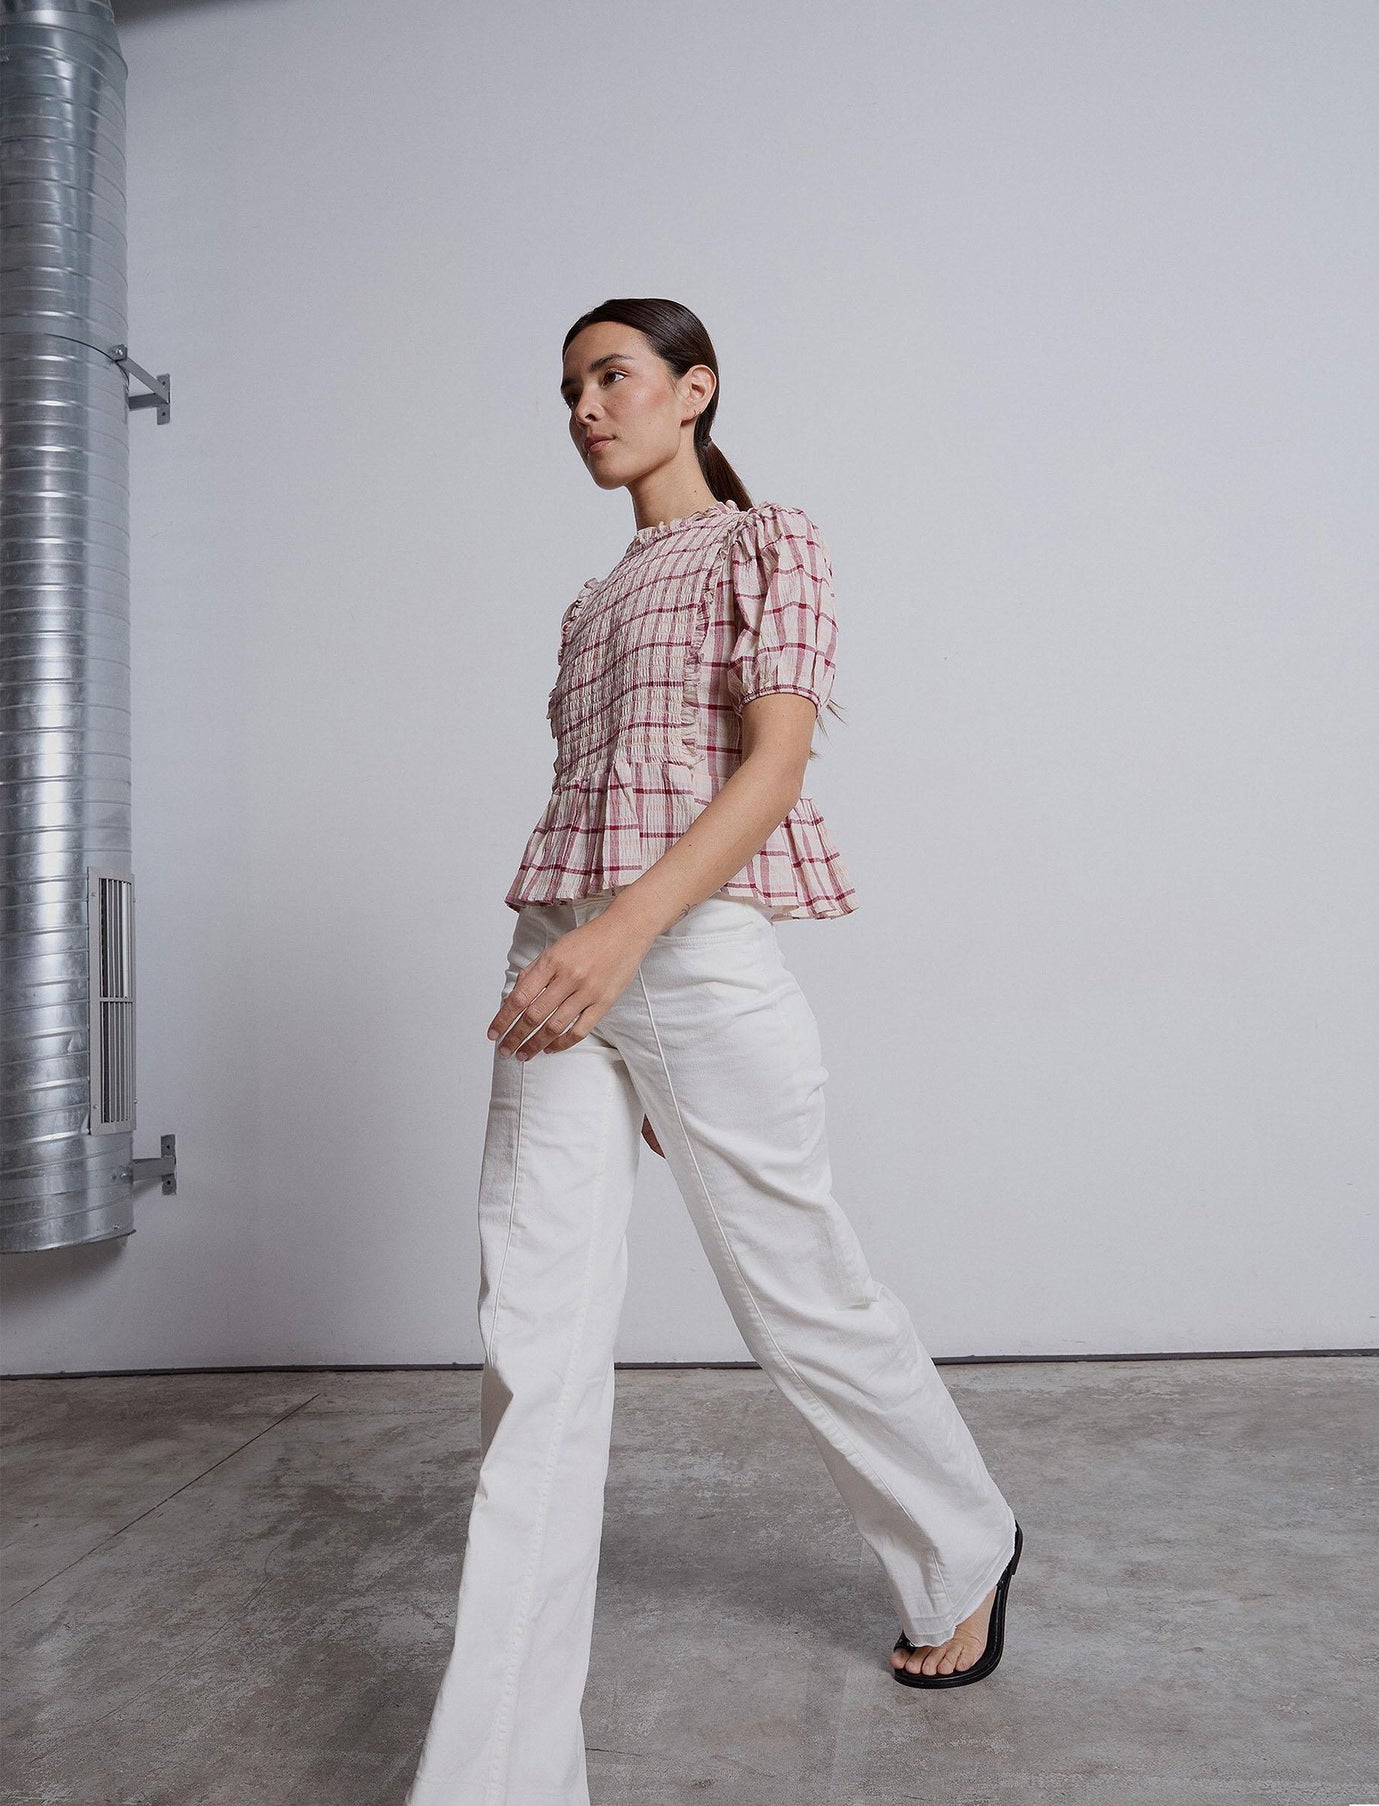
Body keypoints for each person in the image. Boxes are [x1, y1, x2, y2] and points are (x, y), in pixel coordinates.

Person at [405, 298, 1023, 1806]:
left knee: (798, 1291)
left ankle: (963, 1543)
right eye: (568, 388)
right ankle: (494, 1781)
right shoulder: (587, 604)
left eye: (612, 376)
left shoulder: (769, 541)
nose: (585, 408)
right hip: (554, 953)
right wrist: (585, 968)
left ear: (695, 390)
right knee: (531, 1353)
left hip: (678, 952)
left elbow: (775, 763)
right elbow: (596, 789)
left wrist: (623, 953)